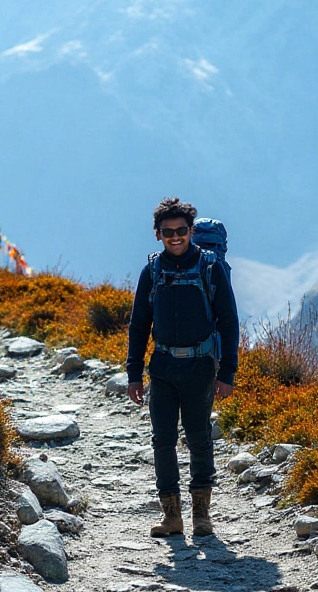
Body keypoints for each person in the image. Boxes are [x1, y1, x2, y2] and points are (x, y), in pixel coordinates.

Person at [125, 197, 238, 537]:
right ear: (157, 234)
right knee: (163, 440)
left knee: (199, 438)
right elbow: (138, 325)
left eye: (181, 231)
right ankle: (171, 516)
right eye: (167, 232)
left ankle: (201, 516)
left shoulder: (210, 268)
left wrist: (227, 373)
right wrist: (133, 373)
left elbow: (229, 322)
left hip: (201, 367)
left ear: (191, 231)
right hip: (162, 367)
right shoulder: (152, 271)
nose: (175, 237)